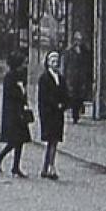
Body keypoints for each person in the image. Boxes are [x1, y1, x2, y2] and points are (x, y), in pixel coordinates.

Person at [0, 52, 34, 177]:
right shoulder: (10, 77)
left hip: (19, 111)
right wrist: (20, 94)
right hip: (12, 113)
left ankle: (15, 166)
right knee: (15, 140)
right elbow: (12, 95)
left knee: (20, 141)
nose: (24, 66)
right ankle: (0, 158)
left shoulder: (20, 76)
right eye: (22, 63)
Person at [37, 50, 67, 180]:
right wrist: (55, 105)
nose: (55, 64)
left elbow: (65, 93)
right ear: (48, 63)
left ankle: (46, 167)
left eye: (57, 62)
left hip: (58, 114)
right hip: (49, 114)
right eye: (52, 61)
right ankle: (50, 167)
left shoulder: (60, 77)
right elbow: (44, 97)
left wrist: (64, 104)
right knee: (52, 141)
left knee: (53, 141)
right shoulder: (44, 78)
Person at [65, 32, 93, 124]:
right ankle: (75, 115)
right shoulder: (70, 51)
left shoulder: (85, 51)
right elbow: (66, 65)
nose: (79, 42)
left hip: (81, 77)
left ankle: (78, 111)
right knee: (73, 96)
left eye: (80, 40)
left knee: (80, 96)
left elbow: (87, 64)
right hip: (72, 77)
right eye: (77, 40)